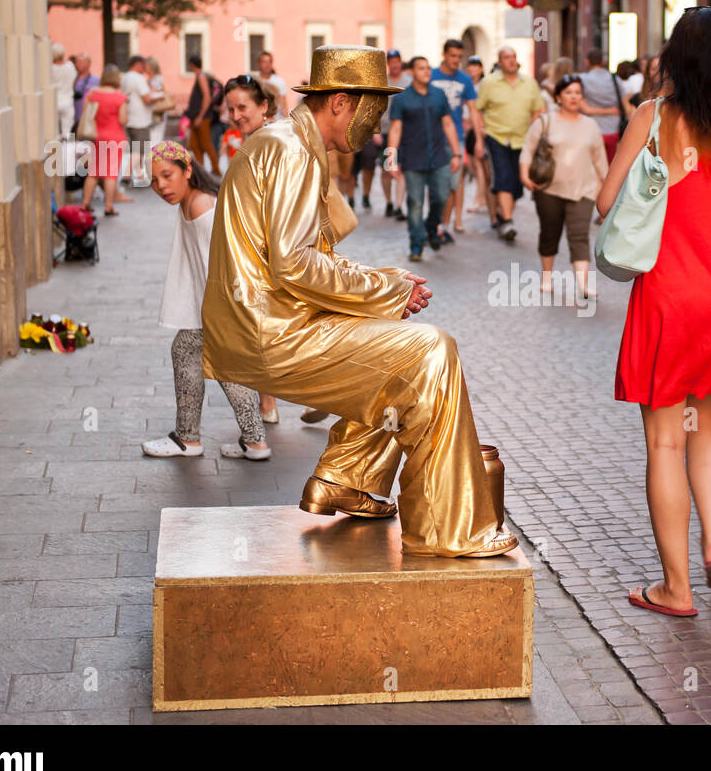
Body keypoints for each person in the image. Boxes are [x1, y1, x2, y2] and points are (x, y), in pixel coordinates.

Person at [202, 44, 516, 558]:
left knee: (395, 350)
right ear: (342, 102)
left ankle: (346, 477)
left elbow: (303, 255)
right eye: (374, 110)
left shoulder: (291, 142)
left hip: (262, 319)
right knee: (431, 352)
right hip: (268, 328)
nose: (376, 127)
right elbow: (296, 263)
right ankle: (446, 529)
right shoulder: (290, 150)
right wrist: (386, 288)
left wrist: (382, 287)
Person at [598, 5, 711, 618]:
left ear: (677, 57)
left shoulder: (652, 117)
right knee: (706, 424)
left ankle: (676, 590)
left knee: (663, 444)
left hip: (672, 296)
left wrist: (663, 189)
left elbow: (605, 204)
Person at [141, 140, 270, 461]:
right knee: (216, 363)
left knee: (212, 362)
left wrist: (227, 310)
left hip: (222, 306)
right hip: (213, 306)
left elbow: (228, 260)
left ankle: (196, 439)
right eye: (155, 180)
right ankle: (250, 441)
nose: (161, 186)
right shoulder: (191, 202)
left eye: (168, 175)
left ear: (187, 170)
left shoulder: (201, 205)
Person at [222, 73, 285, 426]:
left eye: (242, 107)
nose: (235, 114)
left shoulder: (271, 140)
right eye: (231, 108)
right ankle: (269, 401)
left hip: (271, 250)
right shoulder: (254, 138)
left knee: (265, 328)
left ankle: (332, 393)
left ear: (263, 106)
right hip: (256, 247)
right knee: (260, 328)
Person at [519, 73, 607, 298]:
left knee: (579, 236)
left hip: (583, 190)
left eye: (578, 92)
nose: (574, 97)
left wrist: (605, 190)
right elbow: (528, 150)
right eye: (569, 92)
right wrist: (524, 175)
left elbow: (600, 161)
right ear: (558, 97)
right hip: (549, 189)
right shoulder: (545, 121)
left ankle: (583, 285)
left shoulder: (591, 125)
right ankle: (546, 275)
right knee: (550, 233)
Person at [386, 56, 463, 262]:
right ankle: (417, 245)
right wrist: (390, 160)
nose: (427, 71)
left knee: (442, 197)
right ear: (412, 72)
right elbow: (395, 129)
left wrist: (456, 153)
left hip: (439, 158)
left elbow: (448, 124)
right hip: (413, 159)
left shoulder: (438, 95)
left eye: (428, 68)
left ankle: (431, 226)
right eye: (421, 68)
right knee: (415, 203)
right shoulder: (401, 99)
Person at [477, 46, 545, 242]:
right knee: (504, 178)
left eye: (514, 56)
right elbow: (477, 108)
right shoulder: (489, 83)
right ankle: (507, 221)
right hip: (497, 137)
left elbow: (538, 109)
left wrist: (535, 130)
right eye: (507, 57)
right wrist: (481, 130)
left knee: (516, 185)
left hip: (522, 140)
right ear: (499, 62)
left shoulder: (530, 83)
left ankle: (504, 215)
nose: (511, 60)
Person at [429, 39, 483, 243]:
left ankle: (444, 226)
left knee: (453, 184)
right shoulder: (432, 76)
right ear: (444, 55)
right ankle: (433, 223)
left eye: (459, 57)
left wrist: (478, 139)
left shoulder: (465, 80)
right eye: (452, 56)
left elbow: (473, 110)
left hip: (456, 139)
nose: (456, 60)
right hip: (432, 138)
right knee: (434, 184)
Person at [81, 65, 129, 216]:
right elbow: (123, 120)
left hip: (97, 136)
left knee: (94, 172)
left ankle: (85, 203)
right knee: (110, 173)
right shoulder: (119, 96)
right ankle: (108, 206)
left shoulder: (92, 93)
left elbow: (85, 113)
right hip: (115, 137)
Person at [378, 49, 412, 220]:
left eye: (396, 60)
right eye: (391, 61)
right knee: (387, 168)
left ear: (400, 61)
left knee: (401, 169)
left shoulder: (408, 81)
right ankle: (389, 201)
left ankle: (399, 206)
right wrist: (375, 130)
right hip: (386, 131)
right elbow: (375, 107)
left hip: (405, 132)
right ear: (388, 63)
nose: (394, 64)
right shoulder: (382, 81)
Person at [579, 49, 625, 163]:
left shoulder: (583, 79)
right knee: (611, 164)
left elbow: (585, 109)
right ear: (603, 61)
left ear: (587, 62)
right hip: (613, 128)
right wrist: (611, 111)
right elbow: (624, 103)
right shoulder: (615, 79)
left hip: (591, 127)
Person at [464, 55, 495, 225]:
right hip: (468, 128)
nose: (472, 69)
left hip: (479, 128)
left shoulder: (484, 85)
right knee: (473, 166)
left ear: (481, 69)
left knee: (480, 165)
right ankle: (482, 196)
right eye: (470, 66)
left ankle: (481, 198)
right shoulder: (467, 84)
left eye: (475, 66)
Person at [121, 55, 161, 188]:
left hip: (130, 118)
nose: (144, 68)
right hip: (140, 120)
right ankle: (126, 176)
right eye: (143, 65)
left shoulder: (125, 77)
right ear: (138, 64)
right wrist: (159, 97)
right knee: (140, 150)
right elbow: (147, 99)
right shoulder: (138, 78)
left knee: (135, 149)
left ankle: (139, 177)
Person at [184, 55, 223, 175]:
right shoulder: (200, 76)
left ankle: (216, 169)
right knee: (194, 144)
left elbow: (207, 97)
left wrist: (201, 116)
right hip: (196, 116)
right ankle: (200, 168)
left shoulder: (201, 76)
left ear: (191, 64)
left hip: (202, 117)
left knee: (206, 144)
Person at [51, 43, 77, 138]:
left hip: (54, 101)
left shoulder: (50, 68)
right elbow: (74, 82)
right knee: (68, 132)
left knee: (53, 133)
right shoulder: (70, 66)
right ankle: (68, 152)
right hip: (67, 100)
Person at [255, 50, 289, 117]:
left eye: (269, 61)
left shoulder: (280, 81)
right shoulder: (254, 81)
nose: (267, 65)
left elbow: (284, 105)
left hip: (276, 120)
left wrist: (285, 121)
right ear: (258, 64)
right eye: (264, 62)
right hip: (258, 120)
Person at [146, 57, 168, 148]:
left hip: (158, 112)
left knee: (155, 137)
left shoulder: (157, 79)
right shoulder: (151, 79)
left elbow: (160, 94)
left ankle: (153, 159)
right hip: (152, 112)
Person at [72, 53, 98, 126]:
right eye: (77, 62)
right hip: (72, 117)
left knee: (85, 136)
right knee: (70, 136)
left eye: (81, 62)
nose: (78, 65)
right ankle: (70, 138)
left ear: (89, 64)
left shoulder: (95, 80)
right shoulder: (72, 78)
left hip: (87, 119)